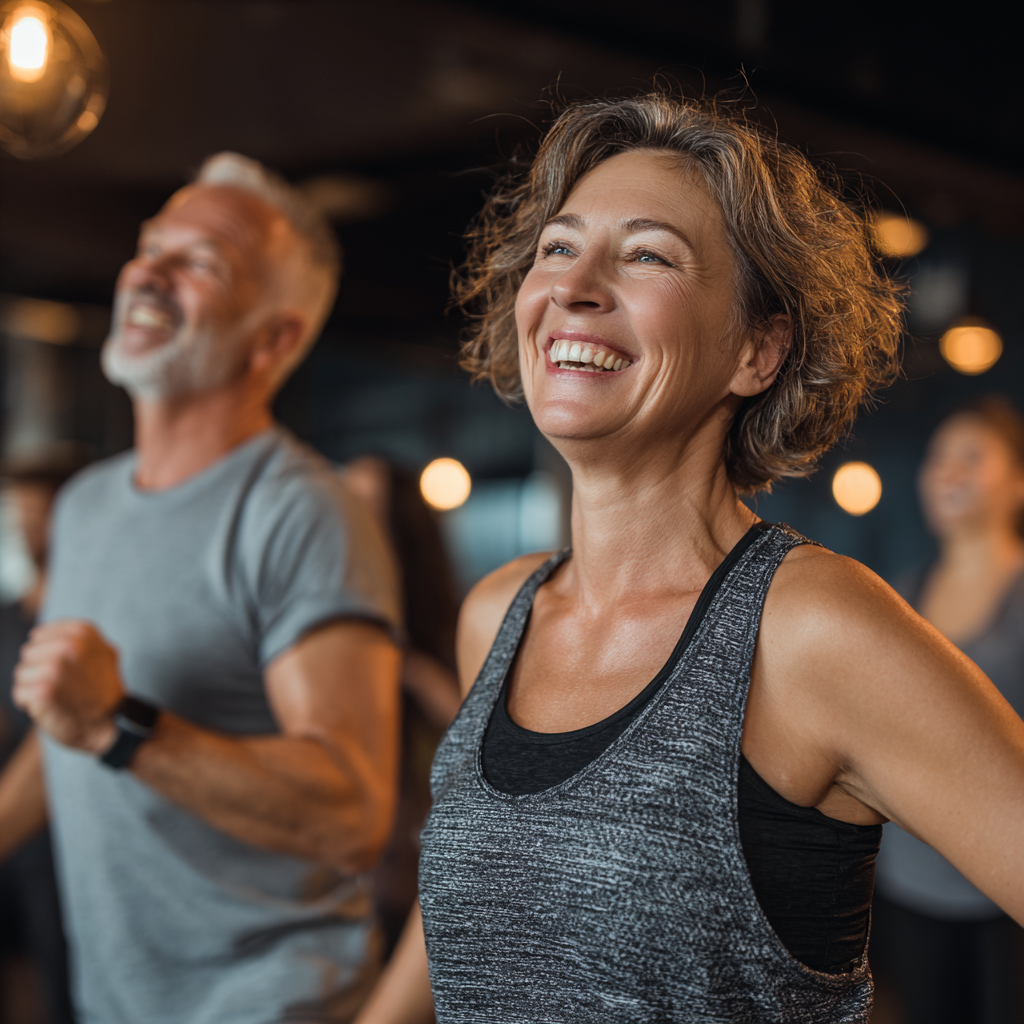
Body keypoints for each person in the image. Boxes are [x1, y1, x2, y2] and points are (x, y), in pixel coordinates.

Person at [354, 92, 1024, 1024]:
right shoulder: (498, 615)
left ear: (757, 348)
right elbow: (500, 913)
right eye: (558, 246)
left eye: (647, 255)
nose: (575, 286)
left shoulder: (806, 629)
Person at [5, 153, 404, 1024]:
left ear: (274, 340)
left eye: (200, 263)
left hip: (268, 1003)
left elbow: (352, 813)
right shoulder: (86, 506)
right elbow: (69, 719)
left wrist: (121, 727)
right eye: (152, 248)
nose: (149, 272)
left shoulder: (302, 512)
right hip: (115, 1000)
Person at [872, 398, 1024, 1024]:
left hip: (1005, 893)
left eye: (971, 456)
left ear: (1017, 482)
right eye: (938, 457)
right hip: (909, 885)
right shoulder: (900, 596)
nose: (948, 472)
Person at [344, 457, 462, 954]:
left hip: (416, 873)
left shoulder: (447, 626)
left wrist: (408, 669)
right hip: (348, 872)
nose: (347, 522)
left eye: (363, 509)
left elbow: (477, 733)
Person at [0, 450, 83, 1024]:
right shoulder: (5, 617)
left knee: (62, 974)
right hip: (10, 817)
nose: (30, 527)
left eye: (42, 513)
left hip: (63, 832)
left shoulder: (80, 623)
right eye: (20, 514)